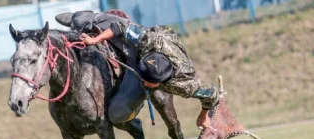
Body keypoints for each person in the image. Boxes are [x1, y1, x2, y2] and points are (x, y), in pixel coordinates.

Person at [79, 19, 219, 128]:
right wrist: (95, 40)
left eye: (147, 81)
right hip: (156, 37)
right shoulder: (149, 42)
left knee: (117, 115)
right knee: (101, 22)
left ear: (158, 82)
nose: (143, 81)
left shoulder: (183, 84)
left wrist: (203, 115)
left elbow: (212, 93)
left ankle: (137, 106)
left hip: (174, 59)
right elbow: (121, 26)